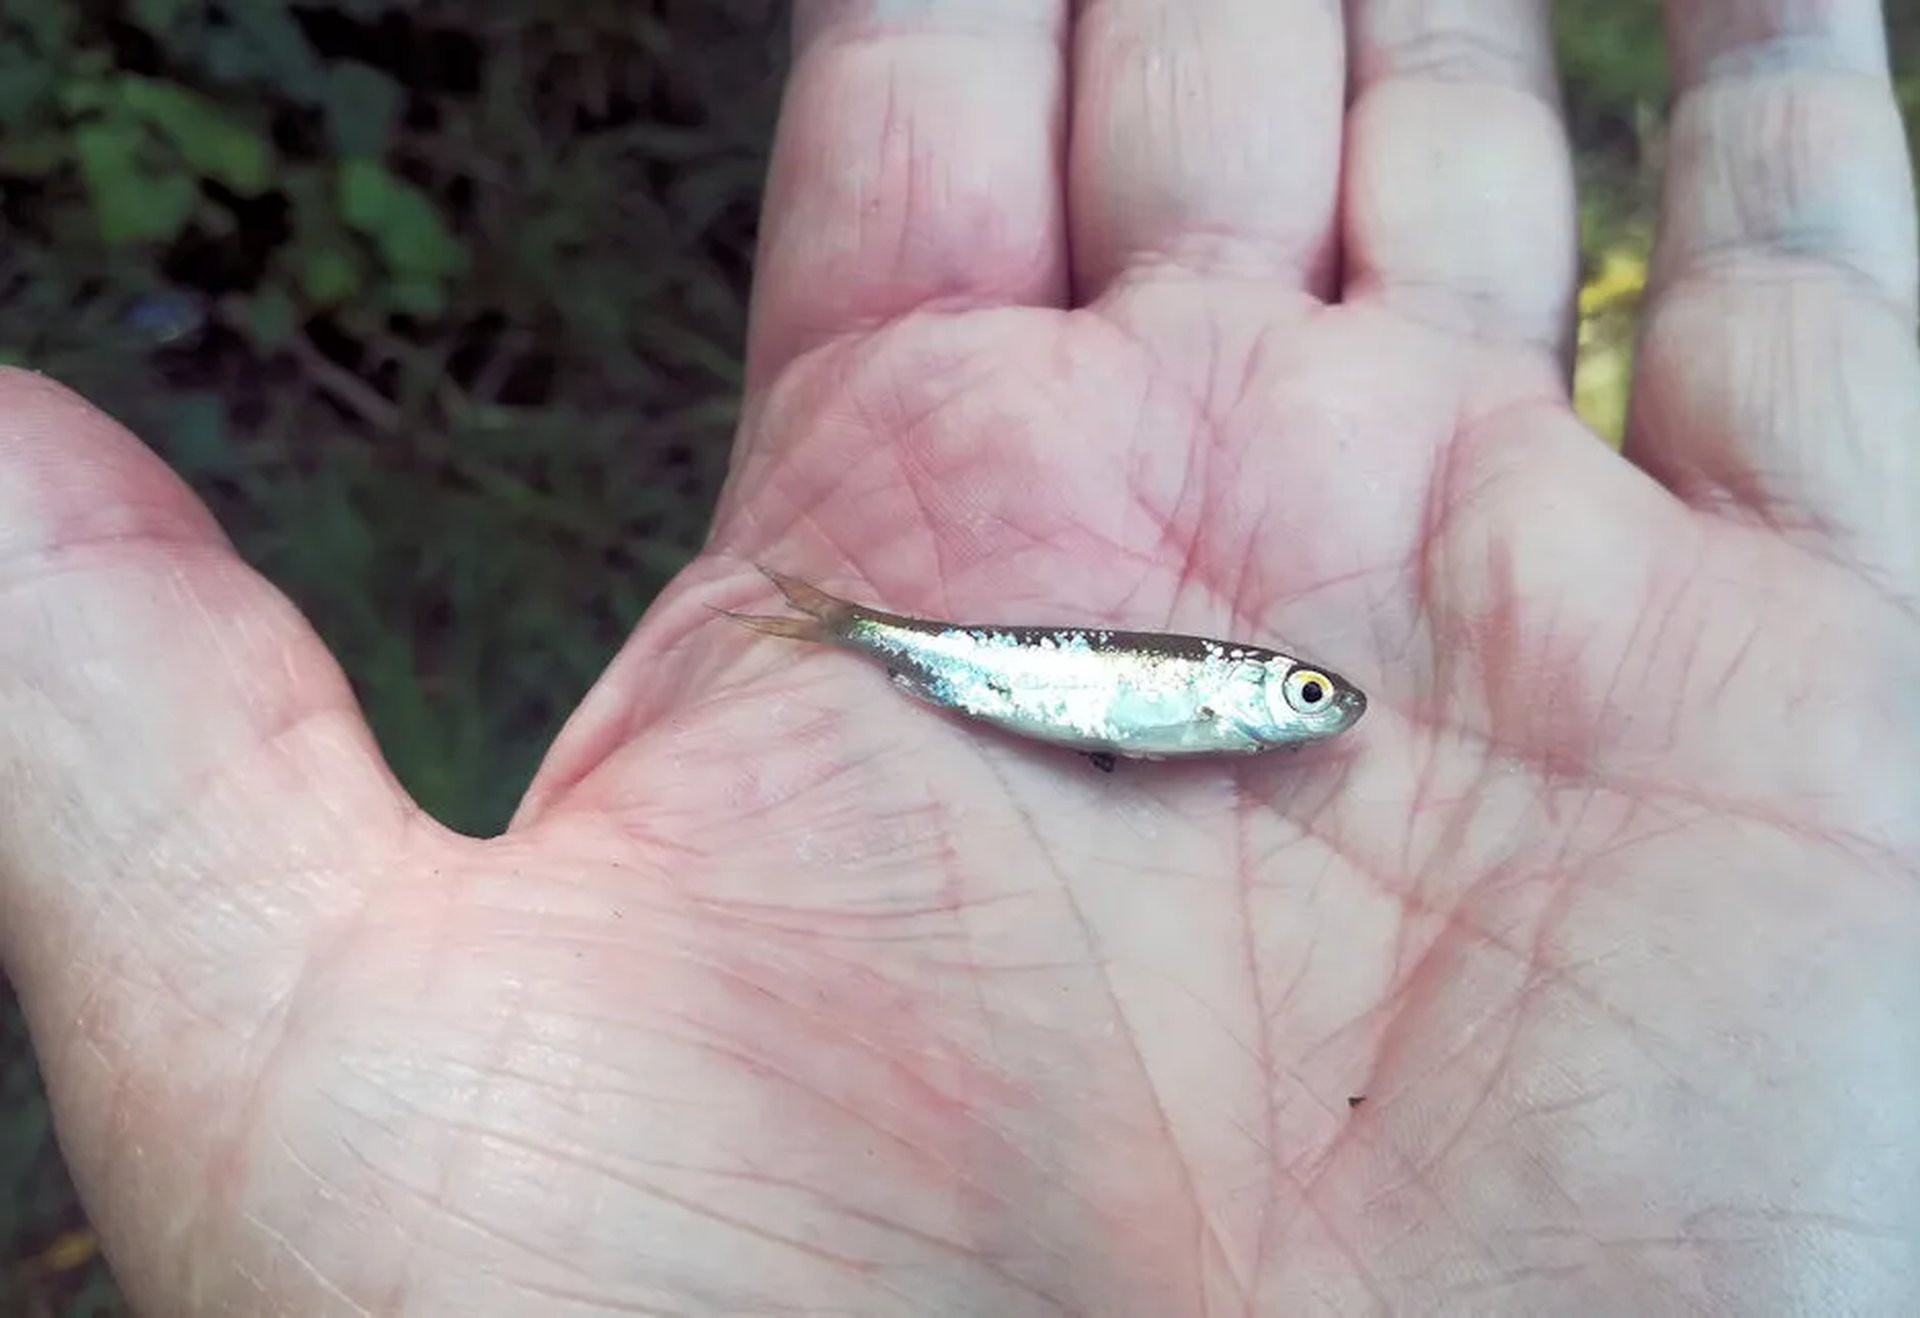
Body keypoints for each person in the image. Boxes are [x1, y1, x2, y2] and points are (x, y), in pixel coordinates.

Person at [4, 1, 1917, 1312]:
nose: (1311, 710)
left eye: (1308, 698)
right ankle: (852, 645)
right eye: (1307, 695)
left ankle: (848, 644)